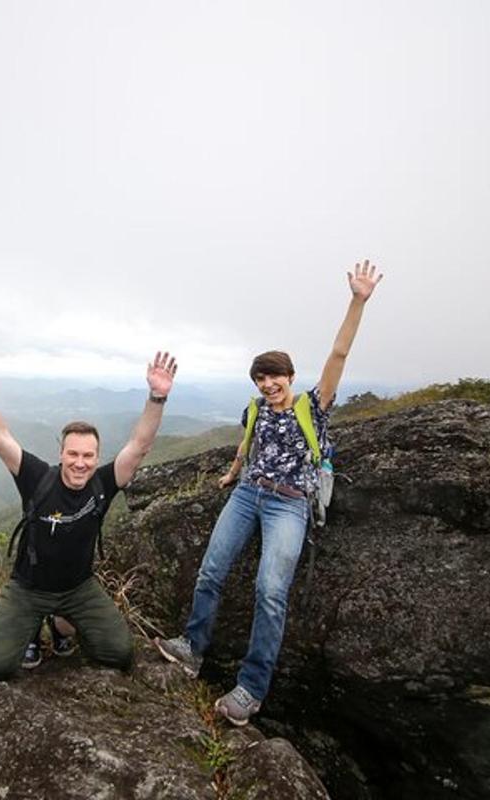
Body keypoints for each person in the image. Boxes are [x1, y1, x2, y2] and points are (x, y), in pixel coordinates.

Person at [154, 260, 383, 726]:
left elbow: (337, 356)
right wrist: (231, 472)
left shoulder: (312, 405)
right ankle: (192, 648)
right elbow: (248, 441)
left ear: (290, 375)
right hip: (246, 494)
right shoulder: (256, 407)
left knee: (270, 591)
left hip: (289, 504)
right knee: (211, 570)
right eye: (261, 378)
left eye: (274, 375)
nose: (268, 383)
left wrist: (357, 301)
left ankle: (250, 689)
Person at [0, 336, 178, 679]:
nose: (80, 463)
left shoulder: (103, 482)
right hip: (28, 589)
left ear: (97, 457)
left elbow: (139, 445)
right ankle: (32, 625)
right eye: (73, 454)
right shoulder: (36, 478)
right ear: (61, 454)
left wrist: (158, 396)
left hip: (78, 589)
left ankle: (59, 625)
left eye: (88, 456)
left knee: (118, 653)